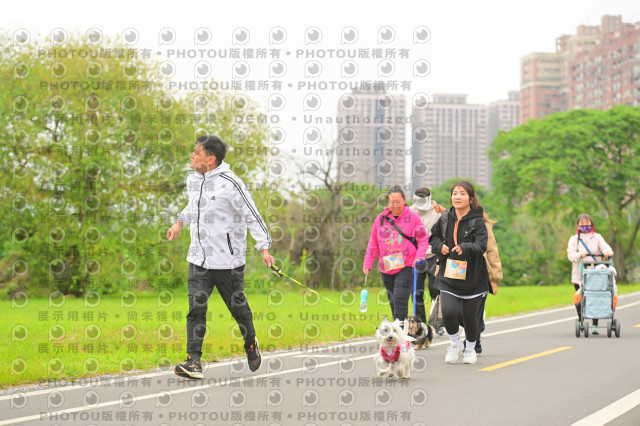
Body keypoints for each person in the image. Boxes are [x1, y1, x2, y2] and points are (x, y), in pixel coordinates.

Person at [167, 135, 274, 379]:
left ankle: (250, 342)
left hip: (228, 262)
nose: (192, 155)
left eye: (196, 152)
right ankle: (193, 361)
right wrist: (179, 223)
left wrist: (264, 247)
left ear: (210, 159)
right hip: (198, 259)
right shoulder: (193, 180)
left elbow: (252, 215)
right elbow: (192, 207)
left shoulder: (231, 184)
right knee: (196, 308)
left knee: (238, 309)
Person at [429, 181, 490, 365]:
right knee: (448, 312)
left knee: (469, 317)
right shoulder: (444, 219)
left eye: (462, 193)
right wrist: (440, 247)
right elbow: (433, 238)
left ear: (470, 199)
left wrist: (465, 247)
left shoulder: (478, 221)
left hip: (473, 277)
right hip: (449, 274)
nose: (457, 197)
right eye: (455, 193)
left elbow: (481, 245)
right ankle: (455, 343)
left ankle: (469, 349)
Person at [363, 186, 429, 323]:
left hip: (407, 264)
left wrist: (420, 256)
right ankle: (399, 329)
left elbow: (423, 238)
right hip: (387, 265)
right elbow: (373, 242)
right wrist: (368, 263)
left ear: (404, 201)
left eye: (398, 201)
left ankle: (401, 330)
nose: (395, 205)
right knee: (393, 301)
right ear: (387, 203)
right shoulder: (380, 219)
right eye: (391, 202)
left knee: (400, 298)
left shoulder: (413, 218)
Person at [459, 212, 503, 354]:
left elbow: (492, 251)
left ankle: (475, 343)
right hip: (457, 272)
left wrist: (494, 279)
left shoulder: (482, 224)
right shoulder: (453, 221)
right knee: (457, 312)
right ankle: (478, 327)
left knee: (474, 312)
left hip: (479, 273)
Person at [567, 213, 613, 335]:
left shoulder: (597, 237)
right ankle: (581, 320)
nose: (585, 225)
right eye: (582, 224)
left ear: (591, 224)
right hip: (579, 274)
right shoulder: (574, 239)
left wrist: (607, 252)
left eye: (587, 223)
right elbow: (571, 255)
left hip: (595, 273)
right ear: (577, 226)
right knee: (580, 299)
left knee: (595, 297)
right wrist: (579, 255)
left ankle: (595, 324)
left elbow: (606, 247)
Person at [409, 187, 446, 325]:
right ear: (414, 199)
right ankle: (421, 324)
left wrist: (444, 211)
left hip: (434, 255)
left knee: (435, 289)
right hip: (416, 257)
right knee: (416, 292)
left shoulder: (437, 212)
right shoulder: (409, 212)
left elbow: (453, 219)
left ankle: (437, 321)